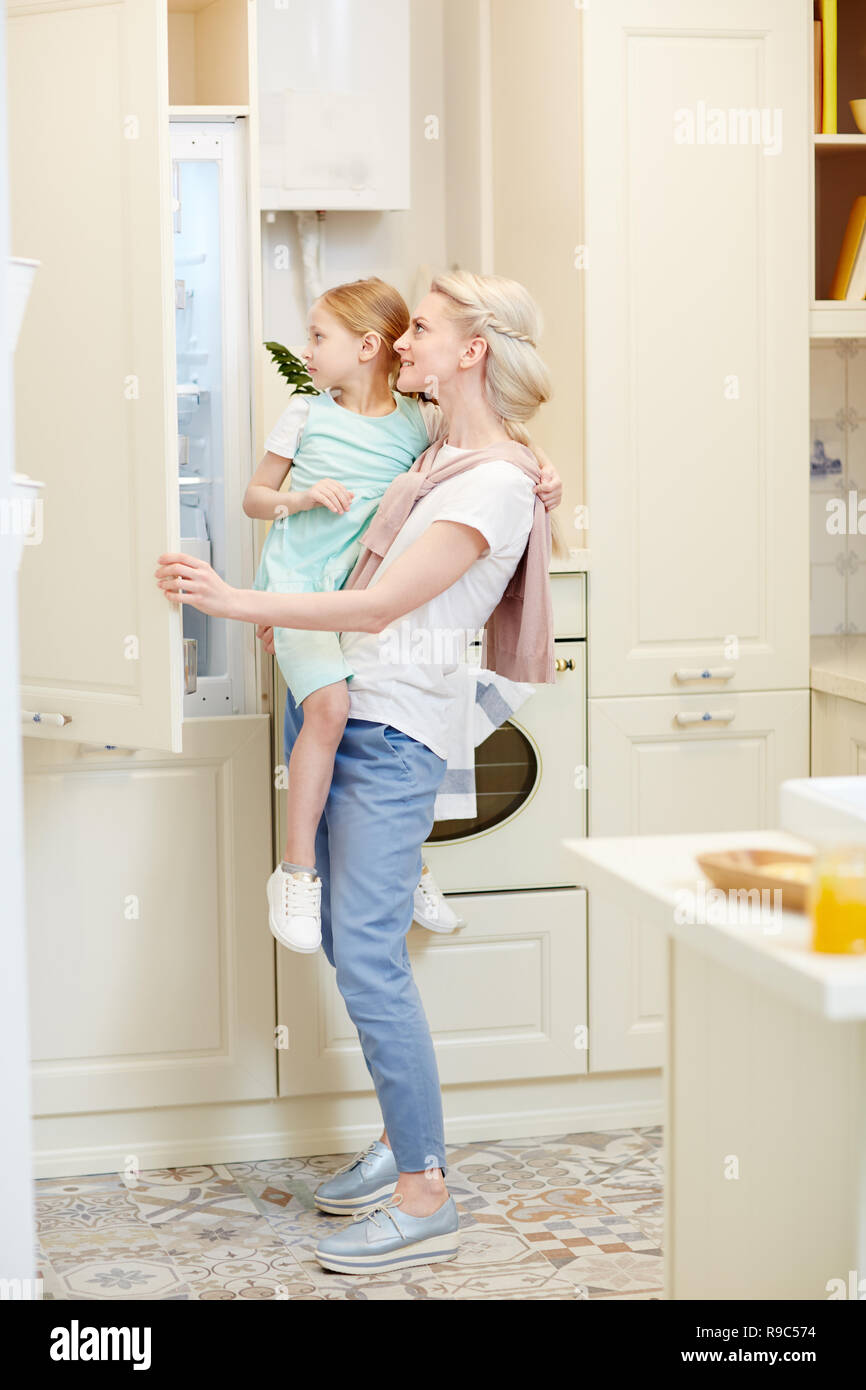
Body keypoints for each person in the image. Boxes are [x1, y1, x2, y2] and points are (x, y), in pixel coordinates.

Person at [155, 270, 561, 1275]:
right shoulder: (447, 449)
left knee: (369, 956)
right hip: (359, 707)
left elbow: (379, 608)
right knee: (350, 938)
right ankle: (398, 1137)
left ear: (471, 349)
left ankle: (423, 1189)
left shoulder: (492, 480)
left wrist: (233, 601)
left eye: (420, 328)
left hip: (392, 729)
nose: (402, 341)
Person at [242, 277, 562, 949]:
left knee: (361, 923)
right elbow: (257, 498)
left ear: (364, 348)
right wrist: (284, 557)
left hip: (349, 623)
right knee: (328, 718)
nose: (403, 343)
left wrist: (542, 463)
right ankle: (297, 871)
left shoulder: (422, 427)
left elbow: (496, 439)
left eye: (318, 337)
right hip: (313, 607)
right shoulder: (311, 415)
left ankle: (403, 864)